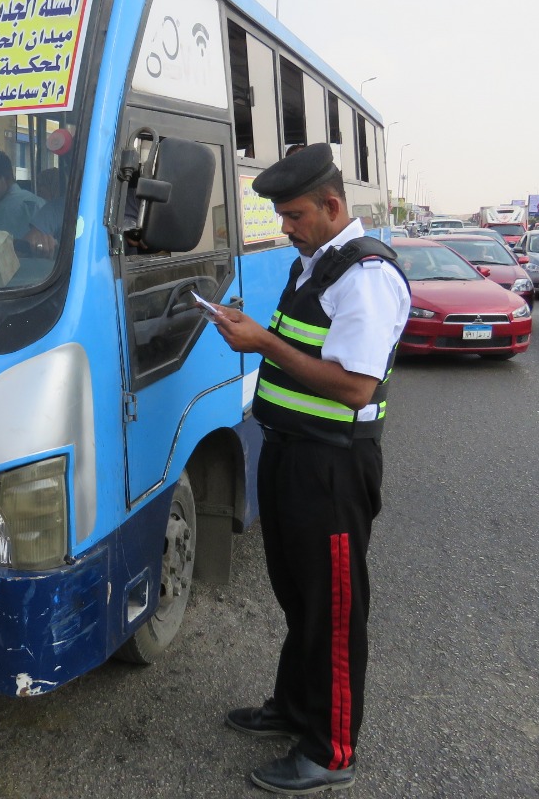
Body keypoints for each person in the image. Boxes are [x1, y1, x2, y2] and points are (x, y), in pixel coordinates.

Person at [208, 143, 409, 795]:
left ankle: (333, 748)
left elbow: (354, 385)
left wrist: (262, 342)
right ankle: (295, 709)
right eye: (279, 217)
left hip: (332, 468)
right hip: (290, 455)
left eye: (293, 216)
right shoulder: (314, 265)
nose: (285, 229)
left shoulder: (366, 277)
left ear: (331, 205)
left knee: (334, 611)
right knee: (299, 598)